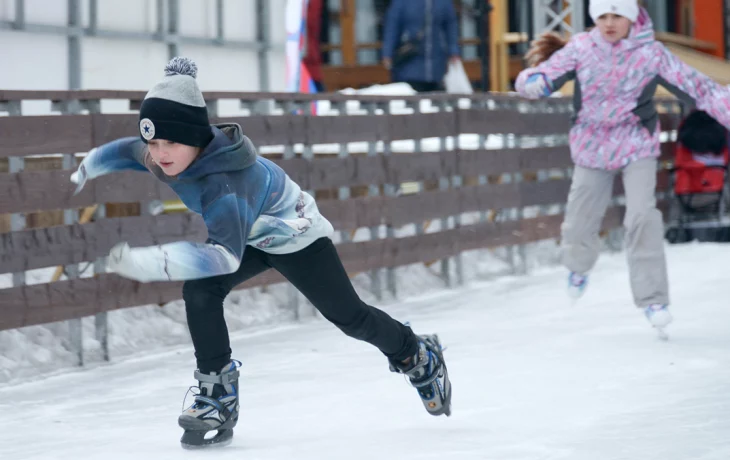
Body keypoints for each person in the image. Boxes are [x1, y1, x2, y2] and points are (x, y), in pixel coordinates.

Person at [70, 57, 452, 449]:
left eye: (171, 143)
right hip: (247, 235)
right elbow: (130, 150)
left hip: (294, 237)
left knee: (350, 318)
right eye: (155, 142)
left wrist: (147, 264)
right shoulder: (160, 155)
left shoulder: (224, 185)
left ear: (197, 138)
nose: (161, 153)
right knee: (200, 292)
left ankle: (417, 354)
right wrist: (90, 166)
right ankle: (216, 395)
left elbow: (223, 258)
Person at [515, 0, 730, 338]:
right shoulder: (582, 48)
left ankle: (653, 299)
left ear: (631, 18)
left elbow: (697, 87)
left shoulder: (650, 54)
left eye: (617, 15)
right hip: (591, 143)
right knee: (581, 216)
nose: (610, 23)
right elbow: (546, 73)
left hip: (635, 142)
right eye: (602, 16)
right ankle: (578, 266)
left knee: (642, 216)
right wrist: (533, 82)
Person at [381, 0, 460, 93]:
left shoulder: (443, 2)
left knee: (434, 99)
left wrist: (453, 50)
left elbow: (450, 25)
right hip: (409, 61)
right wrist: (387, 53)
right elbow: (392, 26)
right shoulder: (402, 2)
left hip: (436, 65)